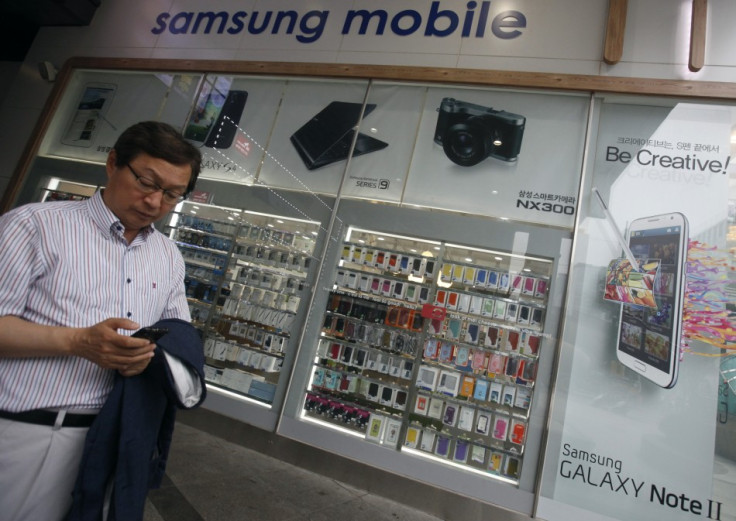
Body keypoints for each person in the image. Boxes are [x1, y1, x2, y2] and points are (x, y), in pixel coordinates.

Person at [0, 121, 206, 521]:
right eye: (147, 182)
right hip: (18, 429)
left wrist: (151, 358)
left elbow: (177, 337)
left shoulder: (167, 255)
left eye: (171, 195)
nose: (154, 202)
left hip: (109, 438)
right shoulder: (35, 226)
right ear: (113, 163)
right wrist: (77, 342)